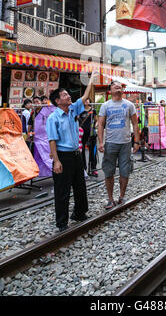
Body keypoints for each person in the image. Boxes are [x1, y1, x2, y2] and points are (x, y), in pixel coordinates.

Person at [46, 73, 97, 231]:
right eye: (64, 95)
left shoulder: (73, 109)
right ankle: (62, 223)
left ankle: (79, 213)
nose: (68, 96)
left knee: (80, 186)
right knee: (63, 191)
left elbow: (85, 96)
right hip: (63, 156)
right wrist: (56, 161)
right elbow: (52, 141)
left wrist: (91, 80)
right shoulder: (53, 118)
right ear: (57, 101)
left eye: (68, 94)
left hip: (76, 155)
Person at [98, 81, 140, 209]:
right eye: (115, 85)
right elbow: (100, 125)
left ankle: (121, 197)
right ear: (110, 90)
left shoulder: (129, 105)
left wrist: (136, 141)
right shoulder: (105, 106)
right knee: (108, 172)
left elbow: (135, 124)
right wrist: (101, 142)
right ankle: (110, 199)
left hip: (126, 143)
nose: (118, 87)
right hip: (110, 143)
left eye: (120, 86)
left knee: (125, 171)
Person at [78, 98, 98, 176]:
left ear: (90, 101)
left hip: (91, 133)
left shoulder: (93, 110)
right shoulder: (80, 110)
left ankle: (93, 168)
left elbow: (97, 120)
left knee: (92, 151)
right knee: (81, 150)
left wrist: (95, 126)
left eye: (87, 100)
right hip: (82, 133)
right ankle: (83, 168)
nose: (86, 101)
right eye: (85, 100)